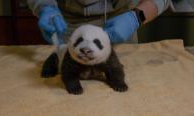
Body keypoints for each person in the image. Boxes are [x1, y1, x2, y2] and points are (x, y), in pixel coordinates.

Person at [27, 0, 171, 77]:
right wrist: (44, 6)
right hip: (67, 21)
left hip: (121, 18)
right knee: (66, 70)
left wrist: (136, 17)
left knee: (121, 75)